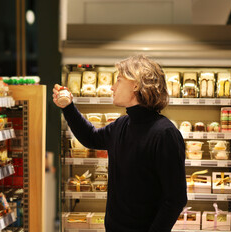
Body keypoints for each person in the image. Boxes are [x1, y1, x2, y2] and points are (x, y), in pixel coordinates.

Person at [53, 55, 187, 232]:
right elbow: (90, 137)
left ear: (136, 85)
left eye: (118, 80)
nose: (112, 87)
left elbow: (175, 198)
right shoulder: (122, 125)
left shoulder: (165, 134)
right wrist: (68, 107)